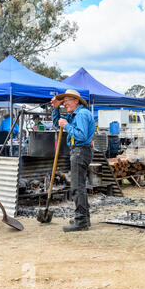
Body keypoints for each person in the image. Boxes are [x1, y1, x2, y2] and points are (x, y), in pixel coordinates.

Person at [51, 89, 95, 232]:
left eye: (67, 101)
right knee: (80, 186)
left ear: (76, 101)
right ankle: (84, 218)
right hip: (80, 151)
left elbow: (81, 136)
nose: (65, 104)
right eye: (63, 102)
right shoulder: (75, 114)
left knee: (77, 187)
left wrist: (66, 125)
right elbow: (58, 124)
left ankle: (81, 221)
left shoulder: (81, 115)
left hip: (80, 150)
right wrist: (56, 109)